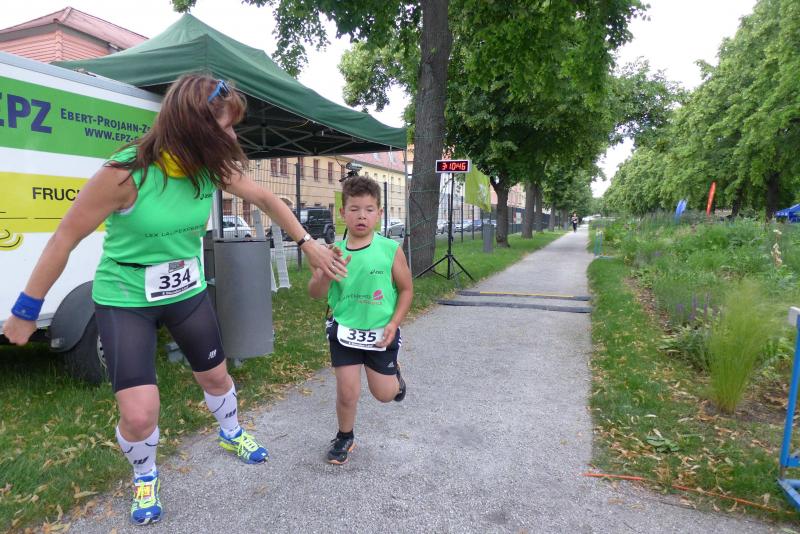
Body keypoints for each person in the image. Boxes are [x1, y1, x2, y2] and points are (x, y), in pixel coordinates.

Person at [2, 75, 347, 525]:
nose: (233, 137)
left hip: (185, 292)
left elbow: (265, 197)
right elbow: (63, 239)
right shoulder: (125, 174)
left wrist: (308, 243)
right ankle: (144, 473)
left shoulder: (209, 166)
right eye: (225, 126)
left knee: (217, 377)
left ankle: (231, 431)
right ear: (193, 125)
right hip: (125, 298)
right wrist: (26, 310)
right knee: (139, 415)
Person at [308, 176, 413, 465]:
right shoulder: (333, 252)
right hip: (344, 330)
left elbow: (406, 290)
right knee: (347, 392)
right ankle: (345, 436)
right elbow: (315, 293)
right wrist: (325, 273)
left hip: (381, 333)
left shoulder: (390, 250)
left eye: (368, 209)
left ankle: (395, 377)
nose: (361, 216)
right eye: (354, 209)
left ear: (379, 213)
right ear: (343, 213)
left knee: (385, 394)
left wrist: (394, 323)